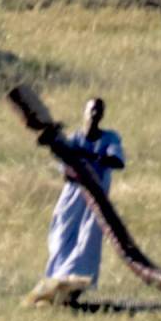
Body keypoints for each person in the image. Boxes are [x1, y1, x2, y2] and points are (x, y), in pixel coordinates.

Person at [43, 97, 125, 292]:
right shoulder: (73, 140)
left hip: (97, 196)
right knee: (62, 232)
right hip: (73, 194)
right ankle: (57, 278)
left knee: (89, 237)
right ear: (85, 112)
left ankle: (79, 281)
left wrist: (87, 156)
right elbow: (65, 171)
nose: (95, 114)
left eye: (98, 110)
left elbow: (117, 161)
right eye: (92, 109)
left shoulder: (110, 138)